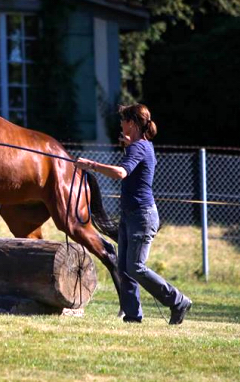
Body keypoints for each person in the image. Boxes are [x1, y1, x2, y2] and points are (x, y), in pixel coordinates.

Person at [74, 104, 192, 325]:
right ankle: (132, 316)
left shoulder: (138, 148)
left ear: (133, 123)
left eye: (123, 119)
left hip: (142, 216)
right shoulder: (140, 146)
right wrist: (129, 147)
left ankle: (178, 301)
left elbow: (121, 172)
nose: (120, 123)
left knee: (136, 267)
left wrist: (90, 165)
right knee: (124, 268)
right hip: (131, 215)